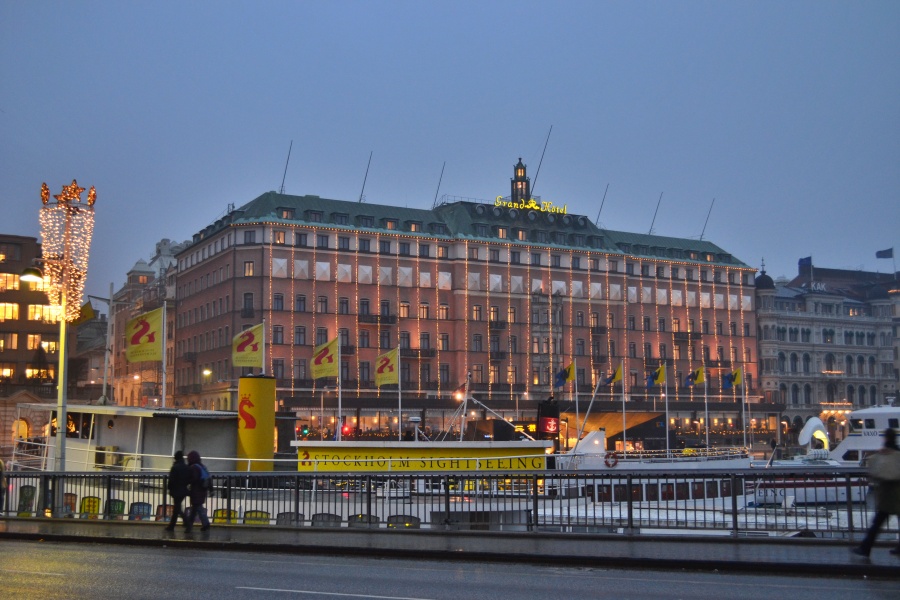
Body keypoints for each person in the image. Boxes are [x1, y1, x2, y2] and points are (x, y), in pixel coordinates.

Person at [853, 428, 900, 557]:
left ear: (886, 438)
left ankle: (865, 548)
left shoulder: (885, 454)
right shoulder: (897, 452)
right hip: (896, 493)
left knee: (877, 524)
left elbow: (877, 471)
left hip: (888, 494)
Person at [164, 451, 191, 531]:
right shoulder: (186, 467)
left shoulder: (175, 467)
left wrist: (169, 488)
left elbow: (171, 480)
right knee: (177, 508)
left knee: (177, 509)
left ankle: (185, 522)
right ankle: (174, 525)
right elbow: (188, 479)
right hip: (183, 490)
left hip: (176, 490)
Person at [184, 450, 210, 532]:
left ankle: (205, 523)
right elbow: (208, 478)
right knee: (195, 508)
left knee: (197, 507)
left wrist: (187, 482)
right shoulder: (202, 466)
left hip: (196, 490)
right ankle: (189, 526)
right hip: (202, 490)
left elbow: (194, 479)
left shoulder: (193, 467)